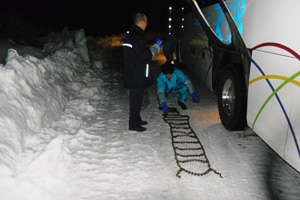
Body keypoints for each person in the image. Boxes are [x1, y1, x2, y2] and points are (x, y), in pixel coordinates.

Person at [123, 13, 163, 132]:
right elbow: (145, 55)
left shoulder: (132, 34)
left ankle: (137, 119)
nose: (147, 24)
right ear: (141, 22)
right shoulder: (137, 36)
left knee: (138, 98)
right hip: (137, 73)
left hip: (133, 71)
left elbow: (138, 52)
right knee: (136, 99)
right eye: (146, 21)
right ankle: (133, 124)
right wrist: (156, 47)